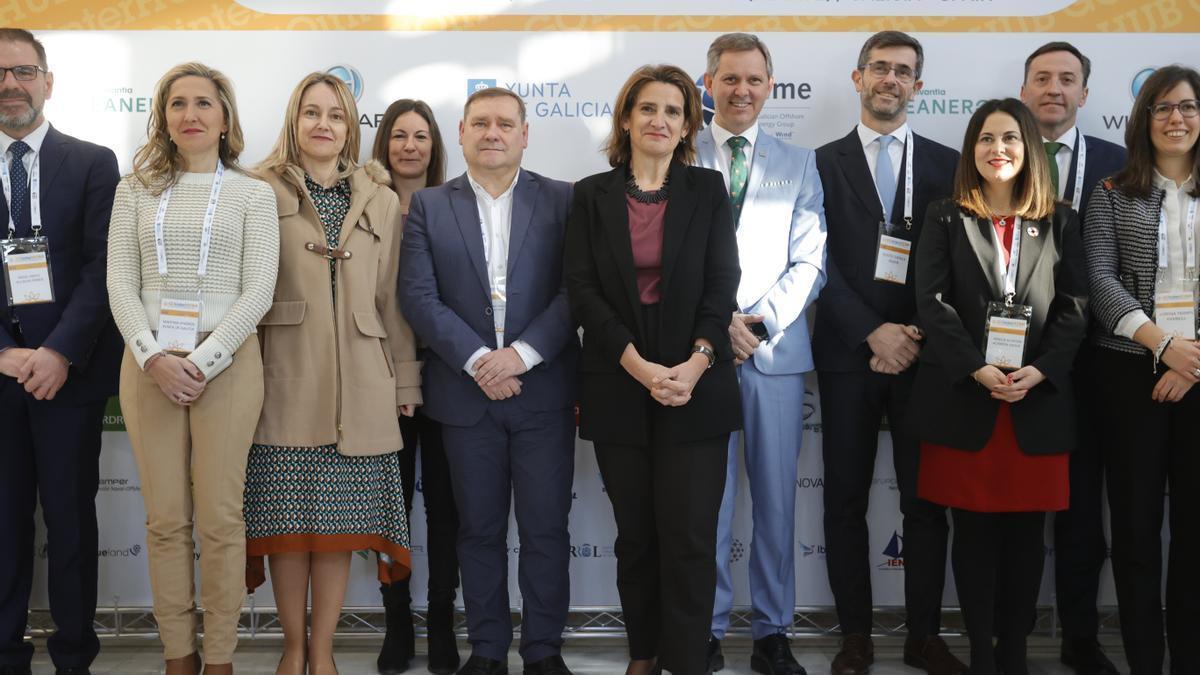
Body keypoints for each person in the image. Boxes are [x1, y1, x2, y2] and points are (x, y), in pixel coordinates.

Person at [565, 64, 741, 675]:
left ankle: (687, 660)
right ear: (626, 118)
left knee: (690, 542)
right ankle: (644, 654)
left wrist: (695, 364)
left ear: (689, 123)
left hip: (699, 386)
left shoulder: (709, 190)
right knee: (637, 539)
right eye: (647, 108)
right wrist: (640, 367)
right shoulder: (590, 194)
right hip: (620, 385)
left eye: (673, 110)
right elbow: (583, 292)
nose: (659, 120)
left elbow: (723, 286)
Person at [106, 62, 279, 675]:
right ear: (164, 118)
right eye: (177, 104)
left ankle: (222, 659)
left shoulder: (254, 193)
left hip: (226, 365)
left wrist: (201, 362)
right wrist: (155, 358)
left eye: (204, 103)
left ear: (225, 117)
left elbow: (258, 291)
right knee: (166, 520)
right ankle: (178, 653)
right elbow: (120, 284)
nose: (190, 115)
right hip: (148, 362)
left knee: (221, 520)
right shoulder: (134, 190)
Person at [399, 87, 578, 675]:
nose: (493, 133)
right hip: (465, 395)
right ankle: (487, 651)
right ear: (462, 131)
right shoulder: (429, 205)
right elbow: (418, 297)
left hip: (542, 393)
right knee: (476, 532)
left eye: (506, 123)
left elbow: (575, 292)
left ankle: (544, 650)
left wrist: (521, 356)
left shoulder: (564, 200)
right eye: (481, 123)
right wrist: (480, 360)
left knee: (546, 529)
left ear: (526, 133)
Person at [246, 72, 420, 675]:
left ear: (352, 127)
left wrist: (406, 382)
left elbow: (394, 300)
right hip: (282, 377)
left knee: (340, 531)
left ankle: (322, 655)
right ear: (293, 121)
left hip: (363, 381)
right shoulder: (255, 190)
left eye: (337, 115)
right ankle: (292, 650)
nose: (324, 125)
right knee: (288, 528)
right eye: (312, 113)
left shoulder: (382, 196)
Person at [912, 97, 1088, 675]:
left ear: (1029, 148)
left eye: (1010, 137)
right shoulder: (944, 215)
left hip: (1036, 402)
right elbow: (931, 304)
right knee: (973, 536)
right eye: (986, 139)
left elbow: (1075, 307)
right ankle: (980, 654)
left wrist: (1041, 370)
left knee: (1024, 539)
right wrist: (975, 368)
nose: (998, 149)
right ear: (972, 150)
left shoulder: (1060, 218)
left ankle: (1013, 655)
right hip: (968, 398)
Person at [811, 31, 963, 675]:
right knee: (843, 499)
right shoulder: (818, 163)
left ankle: (925, 635)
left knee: (925, 504)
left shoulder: (951, 162)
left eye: (904, 71)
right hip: (849, 355)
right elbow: (813, 257)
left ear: (918, 86)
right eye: (880, 68)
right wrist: (872, 332)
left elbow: (961, 262)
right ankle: (855, 638)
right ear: (858, 77)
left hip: (924, 357)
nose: (890, 80)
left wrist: (914, 334)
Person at [697, 33, 825, 675]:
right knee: (707, 503)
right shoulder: (674, 150)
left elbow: (810, 261)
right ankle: (708, 629)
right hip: (697, 354)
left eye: (753, 80)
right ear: (708, 83)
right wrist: (718, 327)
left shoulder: (799, 163)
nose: (741, 90)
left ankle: (773, 632)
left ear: (770, 86)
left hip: (772, 354)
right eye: (729, 79)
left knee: (776, 503)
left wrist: (757, 323)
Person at [0, 27, 120, 675]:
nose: (10, 85)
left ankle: (75, 656)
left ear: (49, 80)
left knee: (72, 524)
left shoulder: (95, 161)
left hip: (70, 377)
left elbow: (105, 269)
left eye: (23, 71)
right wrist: (5, 354)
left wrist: (58, 352)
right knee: (3, 525)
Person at [1084, 64, 1200, 675]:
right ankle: (1144, 664)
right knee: (1133, 534)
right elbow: (1099, 280)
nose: (1176, 118)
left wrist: (1191, 357)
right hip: (1131, 377)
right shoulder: (1110, 192)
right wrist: (1164, 345)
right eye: (1162, 108)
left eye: (1186, 107)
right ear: (1143, 119)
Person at [1017, 43, 1126, 675]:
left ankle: (1080, 635)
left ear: (1085, 94)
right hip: (1018, 360)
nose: (1053, 89)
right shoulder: (997, 160)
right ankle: (1011, 627)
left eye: (1067, 80)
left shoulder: (1118, 163)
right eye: (1042, 79)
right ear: (1024, 89)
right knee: (1022, 505)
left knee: (1085, 507)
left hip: (1102, 361)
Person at [369, 98, 461, 675]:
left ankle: (444, 623)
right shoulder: (364, 205)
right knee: (391, 511)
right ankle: (397, 622)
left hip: (451, 376)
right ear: (384, 143)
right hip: (380, 379)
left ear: (435, 146)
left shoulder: (455, 206)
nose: (409, 146)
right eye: (398, 135)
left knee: (448, 510)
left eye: (420, 136)